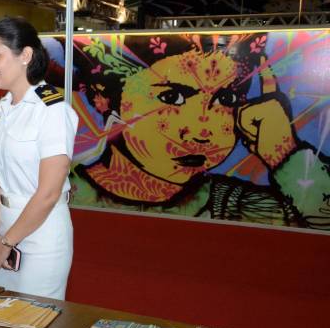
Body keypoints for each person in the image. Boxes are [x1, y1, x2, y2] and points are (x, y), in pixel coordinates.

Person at [71, 33, 330, 229]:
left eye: (226, 100)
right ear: (103, 98)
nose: (202, 132)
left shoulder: (229, 203)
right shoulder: (64, 190)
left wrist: (283, 150)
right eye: (172, 97)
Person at [0, 17, 79, 301]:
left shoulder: (52, 111)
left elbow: (48, 193)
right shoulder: (4, 107)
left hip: (41, 234)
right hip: (3, 231)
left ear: (25, 55)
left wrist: (8, 241)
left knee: (34, 326)